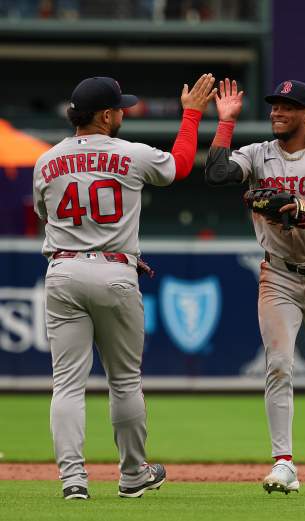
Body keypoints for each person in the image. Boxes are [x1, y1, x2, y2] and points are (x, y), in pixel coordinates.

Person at [33, 73, 216, 499]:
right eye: (120, 108)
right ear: (106, 115)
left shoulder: (47, 160)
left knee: (66, 383)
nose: (124, 113)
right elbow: (182, 165)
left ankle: (73, 480)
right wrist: (191, 115)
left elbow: (47, 212)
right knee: (125, 381)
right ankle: (133, 474)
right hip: (116, 270)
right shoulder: (131, 154)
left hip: (63, 270)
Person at [204, 78, 305, 494]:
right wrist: (225, 123)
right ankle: (284, 463)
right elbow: (217, 172)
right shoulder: (259, 154)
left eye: (287, 106)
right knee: (279, 364)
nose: (277, 111)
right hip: (277, 273)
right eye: (275, 105)